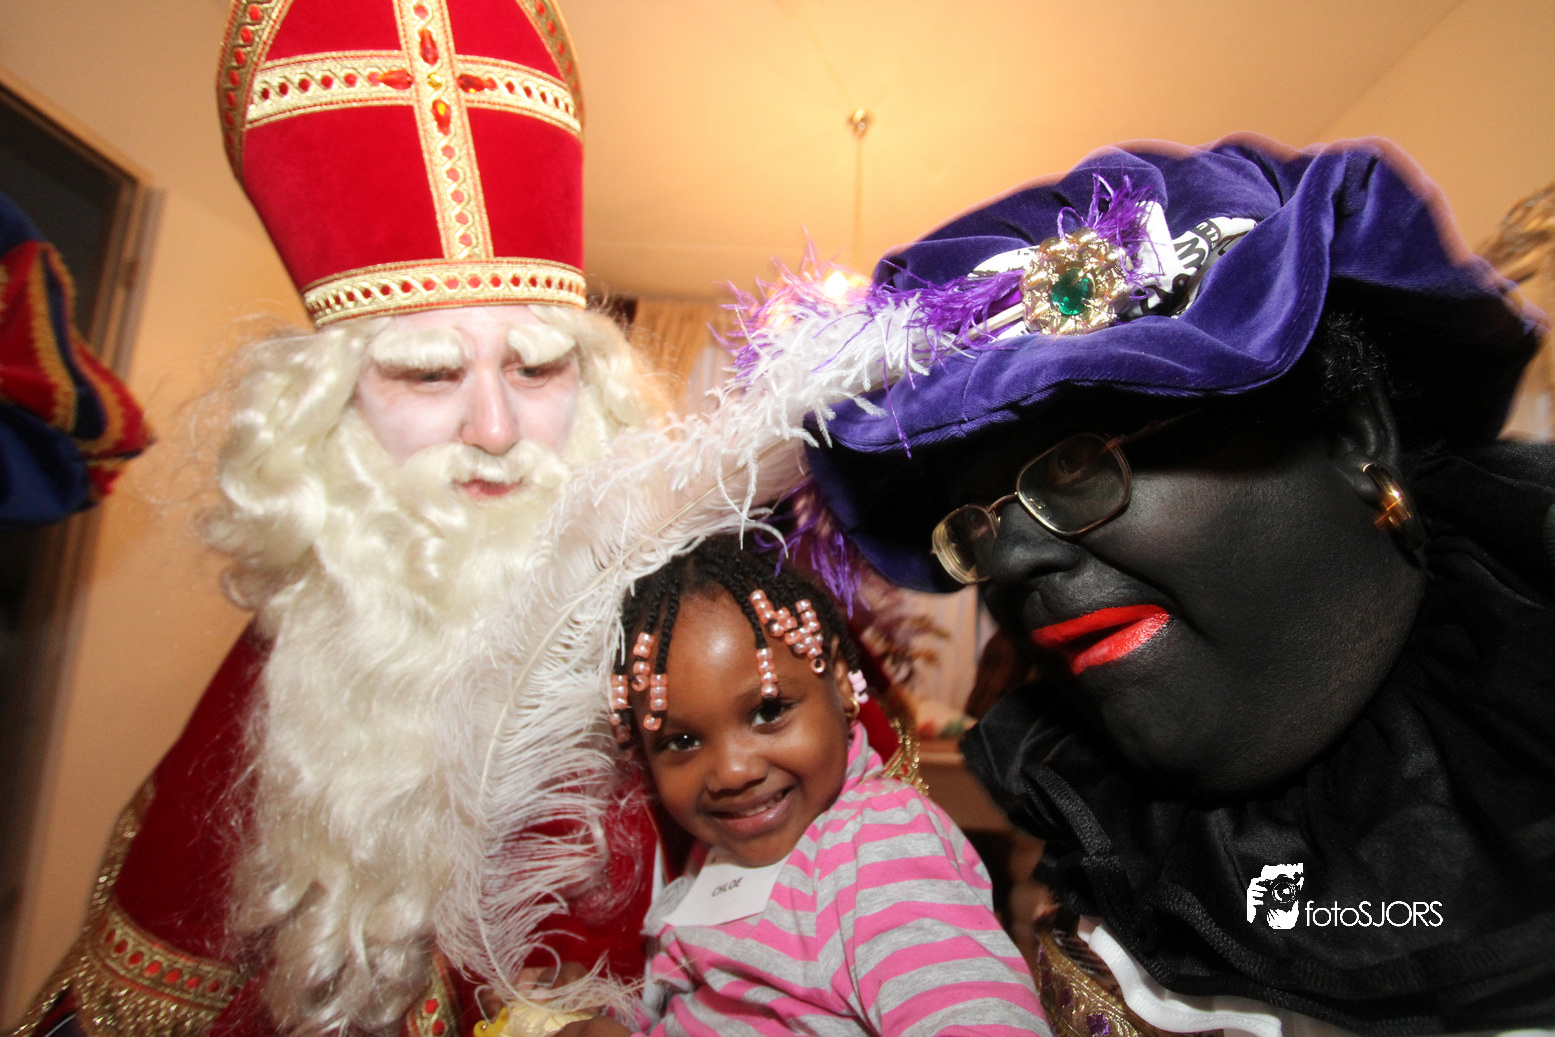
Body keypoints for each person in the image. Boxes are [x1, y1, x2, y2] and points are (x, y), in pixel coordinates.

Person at [765, 135, 1554, 1034]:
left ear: (1349, 437)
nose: (1010, 562)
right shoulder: (1107, 841)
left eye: (1074, 465)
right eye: (976, 524)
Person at [11, 2, 659, 1035]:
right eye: (428, 373)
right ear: (328, 415)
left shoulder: (715, 619)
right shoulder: (306, 653)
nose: (496, 428)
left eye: (538, 367)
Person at [551, 534, 1049, 1037]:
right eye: (681, 741)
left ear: (839, 680)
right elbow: (698, 1004)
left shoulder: (875, 844)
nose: (732, 772)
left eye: (769, 711)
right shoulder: (716, 854)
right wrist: (607, 1016)